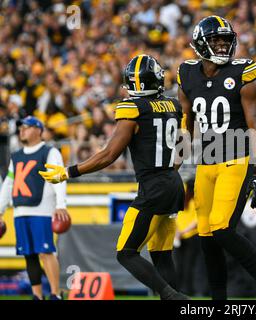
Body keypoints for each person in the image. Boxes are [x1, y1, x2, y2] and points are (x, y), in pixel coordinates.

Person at [39, 55, 188, 300]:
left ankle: (174, 298)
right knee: (162, 253)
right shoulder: (172, 106)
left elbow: (108, 155)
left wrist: (69, 172)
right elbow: (184, 144)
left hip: (153, 187)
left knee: (126, 252)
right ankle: (173, 298)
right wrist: (170, 172)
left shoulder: (133, 108)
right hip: (173, 182)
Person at [177, 15, 256, 300]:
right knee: (206, 238)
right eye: (216, 40)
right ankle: (219, 302)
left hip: (237, 159)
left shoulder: (244, 71)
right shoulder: (187, 73)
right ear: (201, 43)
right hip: (206, 161)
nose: (223, 46)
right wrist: (174, 164)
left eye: (226, 41)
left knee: (222, 229)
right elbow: (186, 123)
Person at [0, 116, 69, 300]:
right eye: (21, 127)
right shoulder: (16, 155)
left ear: (39, 130)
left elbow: (58, 178)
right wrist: (0, 210)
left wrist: (61, 204)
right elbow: (9, 183)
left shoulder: (49, 152)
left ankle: (55, 293)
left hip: (42, 210)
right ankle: (37, 295)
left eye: (27, 127)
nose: (22, 130)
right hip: (20, 210)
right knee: (29, 255)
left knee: (46, 251)